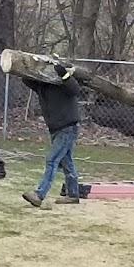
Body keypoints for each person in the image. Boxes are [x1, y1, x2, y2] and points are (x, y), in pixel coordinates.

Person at [22, 62, 81, 207]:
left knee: (52, 159)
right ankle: (73, 194)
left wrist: (63, 73)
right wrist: (26, 68)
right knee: (66, 162)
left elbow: (75, 89)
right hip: (56, 128)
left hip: (67, 127)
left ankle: (39, 194)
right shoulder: (43, 85)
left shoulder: (64, 84)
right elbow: (27, 80)